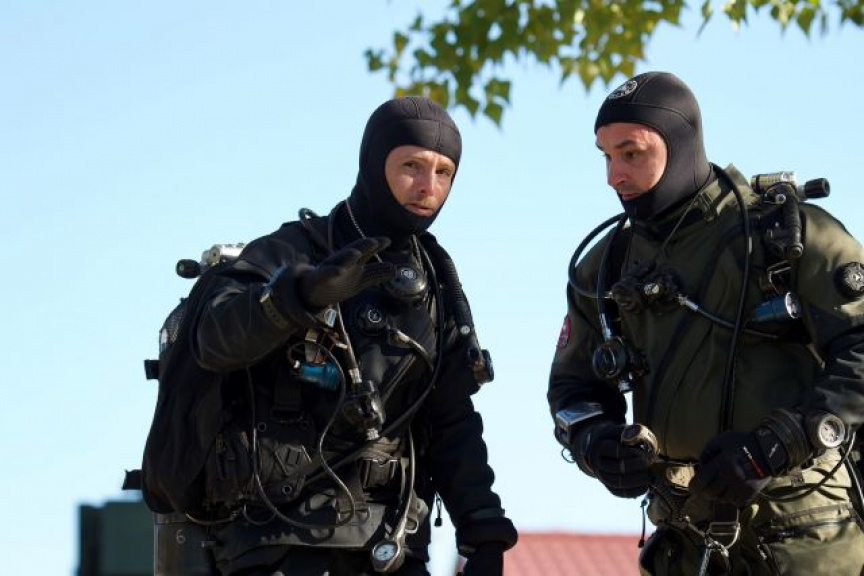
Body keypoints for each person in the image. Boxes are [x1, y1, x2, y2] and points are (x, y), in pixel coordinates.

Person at [155, 96, 517, 575]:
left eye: (443, 172)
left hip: (392, 545)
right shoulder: (290, 251)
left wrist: (482, 528)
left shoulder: (434, 284)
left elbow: (450, 419)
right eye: (411, 166)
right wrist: (297, 294)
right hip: (278, 541)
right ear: (373, 162)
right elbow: (213, 339)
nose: (427, 187)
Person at [548, 71, 864, 575]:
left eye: (631, 153)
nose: (614, 175)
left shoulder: (785, 236)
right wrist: (595, 442)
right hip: (684, 540)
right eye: (606, 156)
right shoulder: (604, 267)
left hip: (806, 534)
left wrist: (780, 443)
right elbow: (573, 389)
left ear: (680, 146)